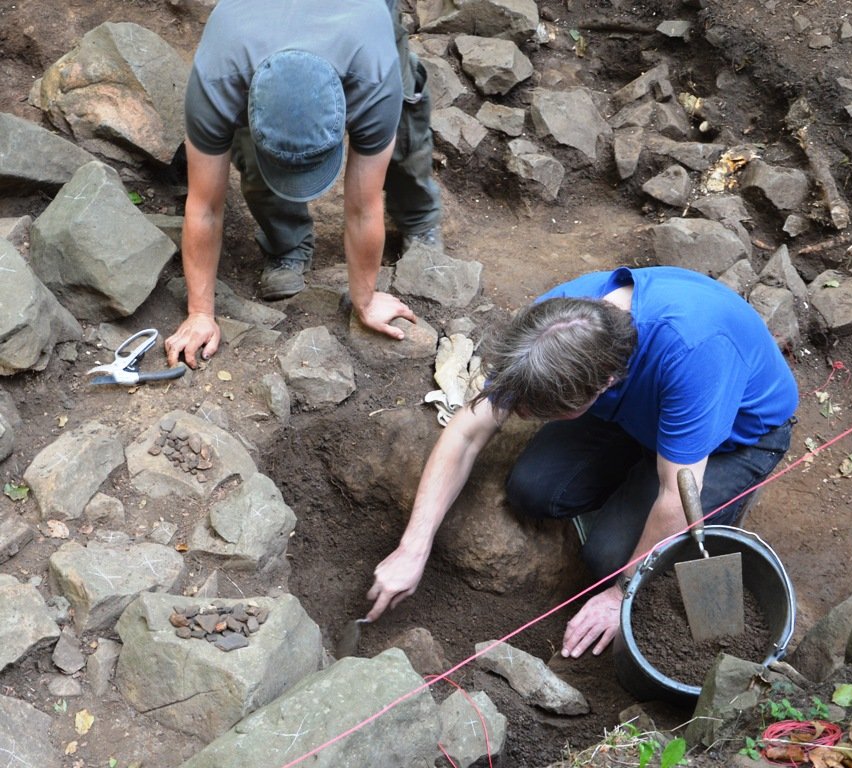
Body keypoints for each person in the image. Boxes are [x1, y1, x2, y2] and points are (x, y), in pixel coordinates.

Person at [366, 265, 799, 659]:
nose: (522, 414)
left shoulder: (693, 352)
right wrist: (412, 547)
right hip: (638, 416)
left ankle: (692, 505)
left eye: (545, 411)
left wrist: (618, 594)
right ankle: (636, 480)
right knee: (534, 489)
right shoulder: (551, 327)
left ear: (604, 384)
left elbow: (676, 494)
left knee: (611, 559)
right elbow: (466, 431)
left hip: (736, 439)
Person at [165, 0, 442, 369]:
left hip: (361, 20)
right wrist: (200, 313)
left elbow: (364, 207)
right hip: (250, 26)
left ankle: (418, 217)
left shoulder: (374, 73)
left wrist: (366, 298)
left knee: (401, 118)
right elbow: (204, 205)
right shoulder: (218, 77)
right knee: (249, 149)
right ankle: (287, 244)